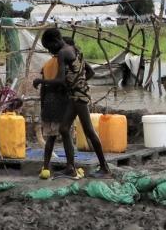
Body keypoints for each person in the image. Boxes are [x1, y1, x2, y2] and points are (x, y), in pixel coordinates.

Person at [33, 28, 110, 179]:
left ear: (55, 41)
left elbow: (60, 80)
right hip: (76, 94)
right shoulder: (75, 49)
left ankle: (105, 168)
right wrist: (78, 83)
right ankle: (70, 167)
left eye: (49, 47)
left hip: (78, 97)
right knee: (63, 128)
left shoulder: (62, 53)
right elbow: (89, 72)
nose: (50, 51)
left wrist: (41, 81)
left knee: (89, 131)